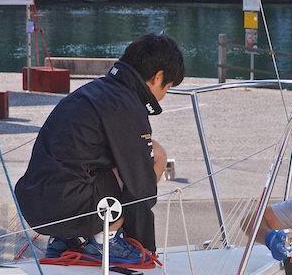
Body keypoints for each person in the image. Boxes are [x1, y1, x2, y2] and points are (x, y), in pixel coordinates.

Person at [15, 33, 184, 262]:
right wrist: (146, 249)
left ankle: (67, 240)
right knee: (156, 158)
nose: (163, 96)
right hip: (64, 205)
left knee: (105, 161)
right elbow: (140, 188)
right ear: (158, 77)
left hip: (36, 202)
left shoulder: (96, 91)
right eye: (168, 88)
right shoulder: (127, 106)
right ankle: (106, 241)